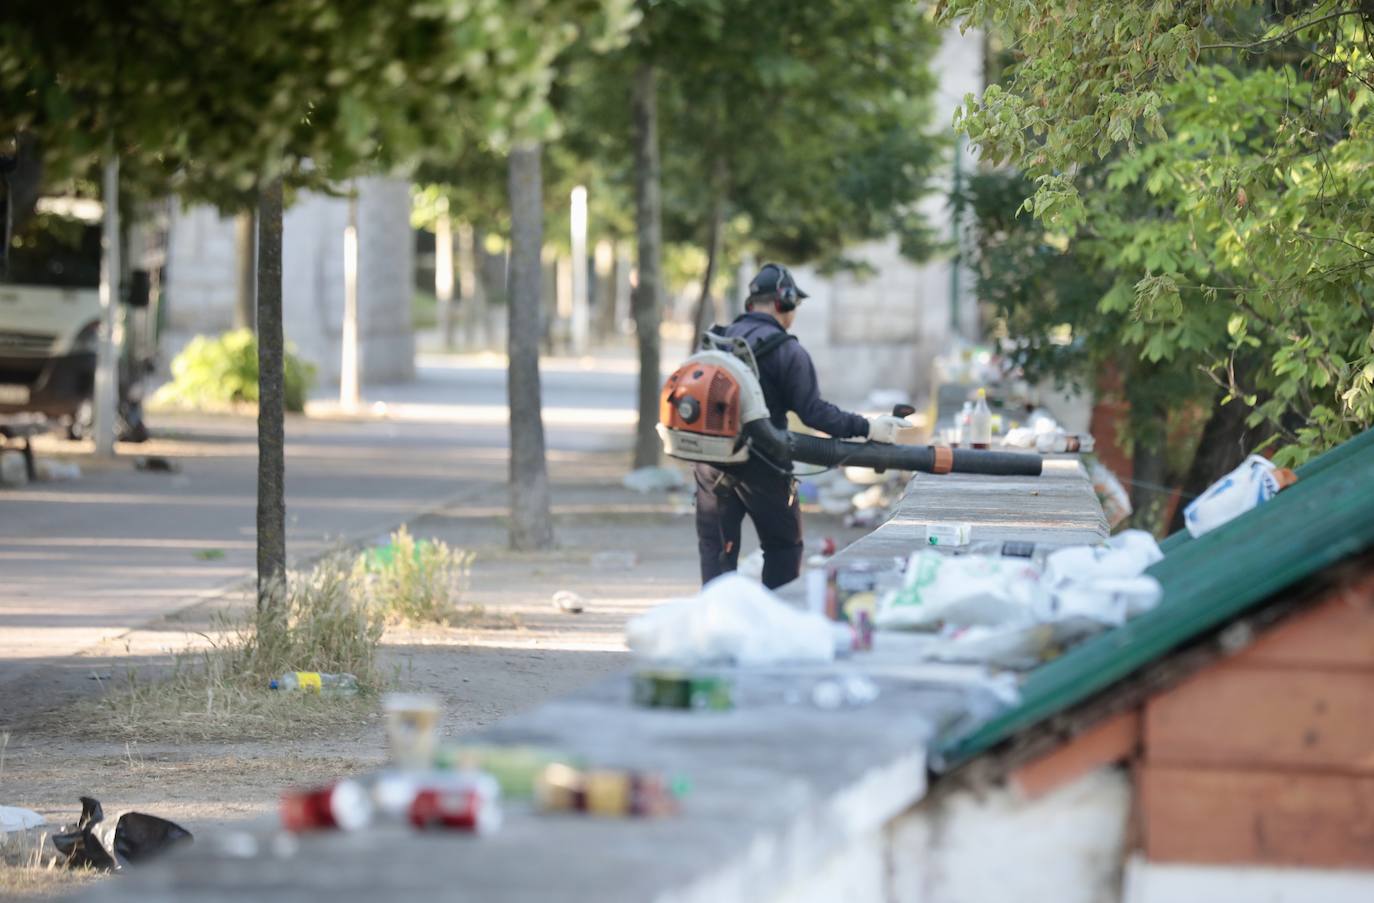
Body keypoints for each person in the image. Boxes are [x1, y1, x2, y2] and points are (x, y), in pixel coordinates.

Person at [695, 262, 909, 589]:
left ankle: (714, 625)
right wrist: (868, 428)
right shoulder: (788, 351)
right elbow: (815, 414)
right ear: (785, 301)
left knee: (718, 552)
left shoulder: (718, 342)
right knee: (783, 547)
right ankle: (778, 625)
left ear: (751, 304)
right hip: (763, 463)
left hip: (711, 462)